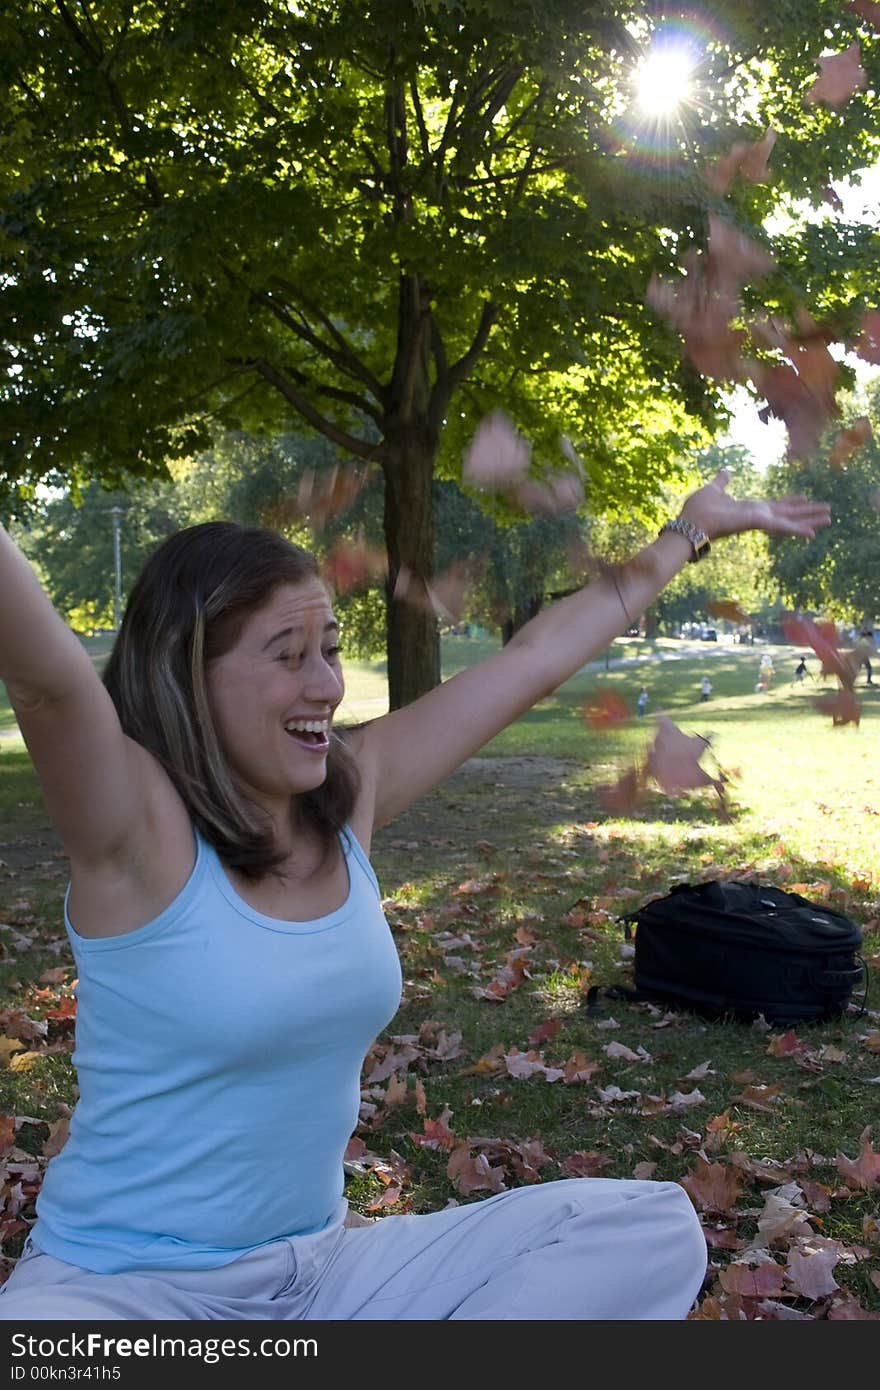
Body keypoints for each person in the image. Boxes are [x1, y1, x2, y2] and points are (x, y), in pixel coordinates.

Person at [0, 455, 829, 1322]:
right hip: (124, 1294)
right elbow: (49, 681)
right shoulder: (136, 832)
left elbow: (535, 660)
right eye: (288, 656)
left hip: (322, 1276)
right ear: (186, 672)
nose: (325, 686)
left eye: (329, 650)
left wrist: (687, 533)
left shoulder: (345, 797)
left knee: (642, 1227)